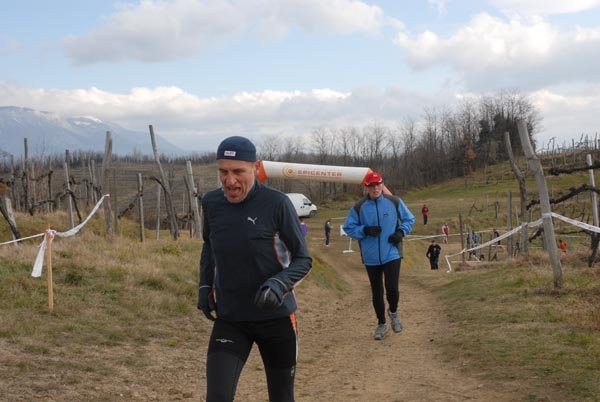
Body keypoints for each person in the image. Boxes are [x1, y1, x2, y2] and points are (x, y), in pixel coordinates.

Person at [197, 136, 312, 402]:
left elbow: (303, 259)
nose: (230, 181)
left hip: (276, 318)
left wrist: (279, 284)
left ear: (255, 167)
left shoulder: (277, 203)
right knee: (217, 397)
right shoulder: (212, 203)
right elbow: (209, 245)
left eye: (238, 171)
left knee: (282, 397)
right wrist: (204, 285)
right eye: (223, 172)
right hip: (231, 317)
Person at [343, 171, 415, 340]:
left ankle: (393, 312)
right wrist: (365, 230)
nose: (375, 189)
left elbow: (409, 219)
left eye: (378, 185)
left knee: (392, 289)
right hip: (371, 256)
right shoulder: (359, 207)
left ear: (382, 185)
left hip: (392, 252)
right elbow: (348, 228)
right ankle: (381, 324)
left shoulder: (394, 201)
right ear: (366, 188)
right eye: (371, 186)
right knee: (377, 292)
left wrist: (400, 232)